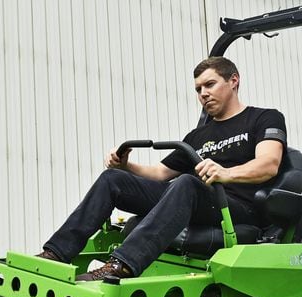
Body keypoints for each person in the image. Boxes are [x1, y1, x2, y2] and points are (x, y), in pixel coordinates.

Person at [38, 57, 287, 281]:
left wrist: (225, 173)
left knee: (187, 183)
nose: (203, 94)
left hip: (235, 207)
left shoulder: (264, 118)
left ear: (233, 81)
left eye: (210, 85)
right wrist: (126, 165)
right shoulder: (198, 136)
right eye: (198, 89)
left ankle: (121, 265)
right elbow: (160, 173)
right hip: (196, 200)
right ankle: (55, 254)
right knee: (114, 179)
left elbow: (269, 164)